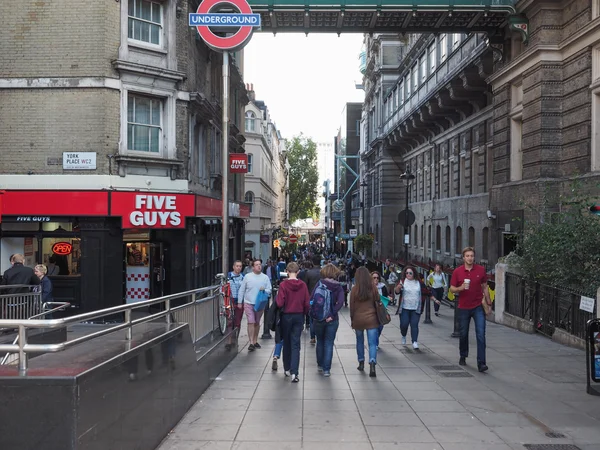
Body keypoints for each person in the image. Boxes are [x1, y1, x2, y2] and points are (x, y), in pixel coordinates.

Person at [450, 247, 492, 373]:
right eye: (467, 256)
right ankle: (463, 354)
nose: (470, 258)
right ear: (463, 258)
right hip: (463, 307)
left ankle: (481, 363)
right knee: (463, 334)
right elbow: (452, 288)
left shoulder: (480, 270)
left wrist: (489, 304)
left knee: (481, 334)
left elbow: (485, 287)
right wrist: (461, 288)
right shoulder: (458, 272)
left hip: (478, 306)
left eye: (472, 256)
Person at [276, 262, 310, 383]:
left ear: (287, 271)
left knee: (286, 342)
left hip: (286, 316)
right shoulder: (303, 285)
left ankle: (286, 368)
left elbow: (279, 303)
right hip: (298, 315)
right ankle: (294, 373)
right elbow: (307, 303)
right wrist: (304, 314)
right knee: (296, 344)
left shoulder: (283, 285)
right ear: (298, 272)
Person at [311, 263, 345, 377]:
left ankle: (320, 365)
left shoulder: (319, 284)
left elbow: (312, 299)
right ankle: (327, 369)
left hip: (319, 318)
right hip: (332, 319)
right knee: (329, 343)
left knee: (320, 341)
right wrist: (332, 313)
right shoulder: (338, 287)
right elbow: (340, 302)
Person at [350, 266, 380, 377]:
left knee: (359, 341)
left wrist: (352, 318)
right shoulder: (373, 288)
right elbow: (378, 301)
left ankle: (361, 362)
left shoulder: (354, 289)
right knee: (372, 343)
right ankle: (372, 362)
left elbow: (352, 306)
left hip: (358, 319)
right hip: (371, 319)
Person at [238, 258, 272, 352]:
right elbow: (242, 290)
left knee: (257, 322)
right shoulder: (247, 277)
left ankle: (255, 340)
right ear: (252, 267)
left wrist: (264, 290)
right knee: (251, 322)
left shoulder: (265, 277)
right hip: (248, 302)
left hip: (259, 304)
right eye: (256, 265)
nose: (259, 266)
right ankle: (251, 342)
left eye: (260, 264)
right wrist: (240, 302)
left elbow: (269, 289)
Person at [394, 265, 431, 350]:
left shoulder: (419, 282)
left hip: (415, 308)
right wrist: (398, 288)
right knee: (404, 324)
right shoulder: (402, 281)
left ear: (414, 273)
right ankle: (403, 335)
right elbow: (396, 292)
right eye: (406, 273)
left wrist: (434, 299)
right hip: (404, 308)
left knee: (414, 325)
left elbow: (426, 291)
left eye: (410, 273)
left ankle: (414, 342)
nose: (408, 274)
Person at [226, 260, 245, 350]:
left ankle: (235, 339)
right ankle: (229, 341)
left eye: (240, 266)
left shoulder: (243, 277)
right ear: (233, 267)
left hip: (240, 301)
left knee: (238, 321)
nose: (238, 268)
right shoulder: (228, 277)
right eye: (237, 266)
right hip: (231, 300)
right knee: (230, 321)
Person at [304, 256, 322, 344]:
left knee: (311, 318)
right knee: (321, 316)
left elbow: (305, 286)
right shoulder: (323, 272)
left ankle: (312, 337)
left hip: (311, 297)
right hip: (322, 297)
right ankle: (320, 335)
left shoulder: (309, 273)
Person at [371, 271, 388, 348]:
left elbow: (386, 296)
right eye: (374, 278)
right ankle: (375, 343)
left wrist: (388, 299)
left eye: (377, 278)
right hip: (372, 311)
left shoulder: (383, 287)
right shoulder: (368, 287)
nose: (376, 279)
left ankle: (375, 339)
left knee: (380, 327)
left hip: (381, 310)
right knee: (374, 327)